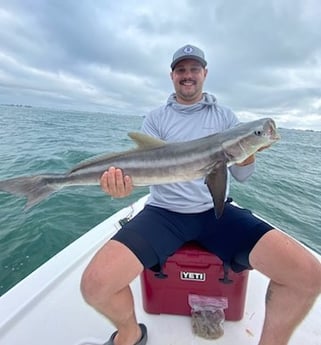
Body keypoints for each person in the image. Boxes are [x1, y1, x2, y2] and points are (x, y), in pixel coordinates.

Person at [81, 44, 321, 345]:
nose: (188, 75)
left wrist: (250, 150)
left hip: (215, 212)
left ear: (205, 73)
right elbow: (142, 167)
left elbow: (243, 176)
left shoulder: (225, 117)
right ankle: (130, 333)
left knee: (308, 274)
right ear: (172, 76)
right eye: (181, 69)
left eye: (194, 69)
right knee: (95, 284)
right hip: (163, 213)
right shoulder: (156, 118)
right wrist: (118, 187)